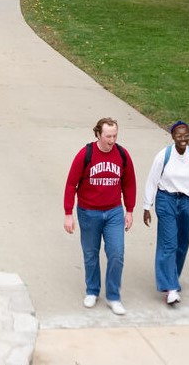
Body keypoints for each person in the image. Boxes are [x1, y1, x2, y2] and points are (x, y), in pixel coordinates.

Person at [63, 117, 137, 315]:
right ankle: (92, 291)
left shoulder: (122, 155)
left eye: (114, 136)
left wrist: (129, 210)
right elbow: (71, 184)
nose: (111, 140)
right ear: (98, 134)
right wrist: (68, 213)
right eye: (107, 136)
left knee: (116, 253)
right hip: (89, 212)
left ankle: (113, 296)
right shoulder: (85, 154)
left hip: (114, 211)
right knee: (90, 254)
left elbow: (129, 183)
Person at [141, 120, 189, 306]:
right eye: (179, 135)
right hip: (166, 200)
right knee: (168, 243)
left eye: (186, 135)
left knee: (182, 243)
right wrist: (147, 206)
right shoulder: (164, 156)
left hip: (186, 201)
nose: (183, 138)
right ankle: (170, 288)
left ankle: (172, 278)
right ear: (172, 136)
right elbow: (152, 181)